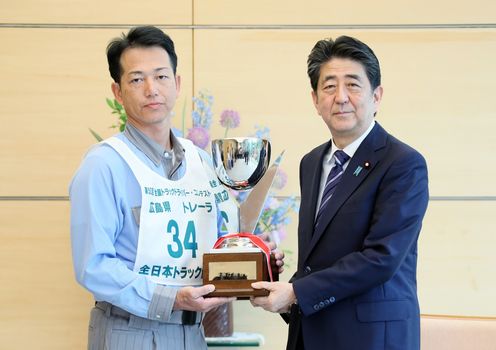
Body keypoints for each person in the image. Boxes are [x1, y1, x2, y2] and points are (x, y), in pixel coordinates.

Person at [69, 26, 283, 350]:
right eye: (137, 79)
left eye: (161, 76)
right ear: (117, 91)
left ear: (177, 83)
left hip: (193, 333)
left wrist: (257, 253)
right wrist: (171, 298)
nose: (152, 89)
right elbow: (93, 266)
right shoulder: (103, 165)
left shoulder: (202, 161)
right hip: (130, 332)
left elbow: (219, 243)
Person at [251, 35, 429, 350]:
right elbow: (317, 259)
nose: (341, 97)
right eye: (329, 86)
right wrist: (275, 275)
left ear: (377, 96)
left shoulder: (403, 163)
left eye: (353, 85)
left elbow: (381, 259)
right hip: (312, 333)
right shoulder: (312, 162)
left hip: (372, 338)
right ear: (315, 99)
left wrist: (296, 294)